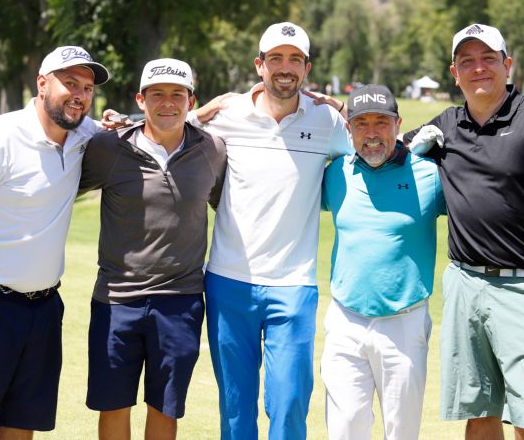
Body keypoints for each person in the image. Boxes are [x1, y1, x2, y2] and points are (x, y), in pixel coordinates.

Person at [403, 23, 524, 440]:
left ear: (507, 64)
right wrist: (332, 110)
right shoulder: (445, 124)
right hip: (464, 283)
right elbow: (381, 145)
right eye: (467, 61)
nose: (478, 68)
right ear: (454, 72)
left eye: (488, 59)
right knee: (478, 411)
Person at [0, 45, 111, 438]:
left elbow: (141, 126)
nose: (80, 95)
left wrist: (198, 113)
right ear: (42, 83)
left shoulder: (83, 133)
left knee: (21, 425)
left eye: (86, 88)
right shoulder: (1, 135)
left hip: (44, 308)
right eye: (70, 83)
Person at [192, 22, 352, 440]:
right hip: (228, 281)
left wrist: (342, 106)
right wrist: (197, 112)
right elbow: (169, 133)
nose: (286, 68)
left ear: (307, 67)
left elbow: (372, 147)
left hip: (294, 286)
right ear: (259, 65)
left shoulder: (327, 121)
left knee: (288, 405)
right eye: (276, 58)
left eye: (295, 59)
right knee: (235, 407)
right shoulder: (227, 115)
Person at [78, 58, 227, 440]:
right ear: (140, 100)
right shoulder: (108, 148)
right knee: (113, 405)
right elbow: (63, 183)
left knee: (165, 407)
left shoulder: (212, 149)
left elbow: (223, 204)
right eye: (157, 94)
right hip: (116, 300)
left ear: (191, 101)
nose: (167, 103)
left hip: (180, 301)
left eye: (177, 94)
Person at [320, 84, 446, 440]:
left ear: (398, 125)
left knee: (402, 433)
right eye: (361, 124)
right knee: (345, 431)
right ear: (349, 128)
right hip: (346, 321)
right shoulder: (335, 173)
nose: (372, 134)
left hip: (404, 324)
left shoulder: (430, 175)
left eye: (381, 123)